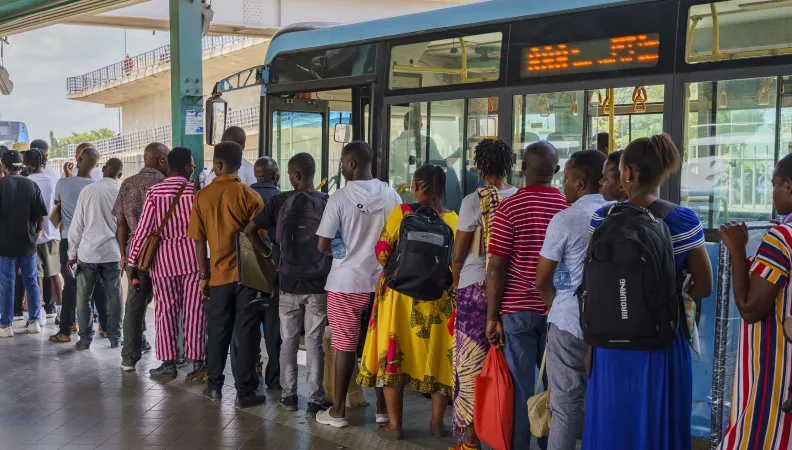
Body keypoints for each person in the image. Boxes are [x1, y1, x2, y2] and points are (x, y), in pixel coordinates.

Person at [583, 134, 713, 450]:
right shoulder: (683, 220)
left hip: (608, 345)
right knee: (657, 427)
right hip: (661, 344)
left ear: (627, 174)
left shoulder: (603, 218)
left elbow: (592, 283)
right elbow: (704, 286)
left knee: (611, 426)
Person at [357, 164, 457, 440]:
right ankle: (437, 424)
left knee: (394, 358)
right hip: (438, 301)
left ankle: (395, 425)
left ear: (416, 186)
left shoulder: (403, 213)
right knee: (438, 358)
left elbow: (382, 252)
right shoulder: (453, 220)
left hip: (399, 300)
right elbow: (457, 264)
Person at [485, 141, 569, 450]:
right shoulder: (566, 208)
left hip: (516, 312)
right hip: (556, 313)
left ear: (522, 169)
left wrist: (492, 316)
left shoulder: (509, 207)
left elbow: (496, 266)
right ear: (557, 171)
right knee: (555, 391)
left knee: (520, 391)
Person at [314, 141, 401, 427]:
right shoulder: (392, 196)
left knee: (344, 346)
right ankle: (381, 410)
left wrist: (340, 250)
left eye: (342, 161)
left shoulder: (339, 198)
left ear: (351, 163)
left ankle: (338, 411)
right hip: (382, 284)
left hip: (346, 283)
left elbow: (322, 243)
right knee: (376, 346)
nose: (341, 166)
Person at [717, 152, 792, 450]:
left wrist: (737, 249)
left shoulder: (781, 239)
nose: (771, 192)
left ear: (789, 186)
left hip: (774, 369)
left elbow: (750, 309)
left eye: (774, 184)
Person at [535, 150, 607, 450]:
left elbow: (542, 278)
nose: (562, 186)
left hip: (569, 322)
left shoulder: (566, 219)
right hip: (610, 326)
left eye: (565, 180)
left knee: (564, 407)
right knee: (600, 406)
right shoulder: (616, 212)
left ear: (580, 183)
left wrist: (554, 303)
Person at [245, 152, 329, 411]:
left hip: (287, 282)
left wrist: (270, 254)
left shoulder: (280, 201)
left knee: (288, 341)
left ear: (296, 175)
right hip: (318, 283)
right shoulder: (327, 202)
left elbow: (249, 230)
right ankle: (315, 400)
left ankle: (289, 396)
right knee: (314, 342)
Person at [449, 139, 517, 449]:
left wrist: (453, 283)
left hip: (475, 291)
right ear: (508, 166)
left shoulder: (472, 201)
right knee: (505, 368)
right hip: (509, 289)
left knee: (469, 367)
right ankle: (505, 435)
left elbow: (459, 254)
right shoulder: (516, 197)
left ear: (479, 167)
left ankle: (470, 442)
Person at [187, 141, 266, 407]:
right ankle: (245, 392)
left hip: (217, 277)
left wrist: (203, 275)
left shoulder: (202, 196)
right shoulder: (249, 195)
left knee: (218, 332)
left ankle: (214, 387)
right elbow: (261, 238)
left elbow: (198, 240)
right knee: (244, 334)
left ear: (218, 166)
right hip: (246, 277)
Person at [127, 147, 206, 380]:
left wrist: (133, 262)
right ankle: (197, 361)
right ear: (185, 167)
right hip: (193, 259)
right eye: (191, 164)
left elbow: (143, 231)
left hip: (163, 262)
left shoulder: (155, 192)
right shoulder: (196, 191)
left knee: (166, 311)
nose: (193, 168)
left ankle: (168, 363)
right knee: (194, 311)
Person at [115, 142, 169, 370]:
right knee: (167, 304)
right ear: (160, 160)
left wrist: (123, 254)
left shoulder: (127, 183)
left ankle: (129, 358)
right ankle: (172, 355)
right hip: (162, 255)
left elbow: (121, 224)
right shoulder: (164, 185)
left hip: (135, 255)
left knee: (134, 305)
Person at [67, 158, 125, 350]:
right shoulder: (120, 192)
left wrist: (71, 253)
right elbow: (125, 227)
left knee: (83, 298)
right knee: (115, 296)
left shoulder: (88, 191)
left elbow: (77, 225)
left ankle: (85, 338)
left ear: (103, 169)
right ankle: (115, 337)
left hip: (88, 253)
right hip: (112, 254)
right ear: (120, 175)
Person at [49, 147, 100, 343]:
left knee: (71, 286)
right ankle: (98, 328)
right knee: (92, 284)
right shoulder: (96, 186)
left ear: (78, 159)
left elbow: (58, 204)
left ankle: (65, 331)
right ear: (96, 165)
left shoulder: (63, 182)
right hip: (90, 241)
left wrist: (69, 176)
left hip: (67, 239)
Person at [0, 150, 47, 336]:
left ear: (5, 166)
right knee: (31, 282)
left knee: (6, 283)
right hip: (28, 244)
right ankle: (34, 321)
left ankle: (6, 325)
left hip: (4, 244)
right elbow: (41, 217)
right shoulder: (31, 185)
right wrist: (35, 235)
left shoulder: (0, 185)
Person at [247, 155, 282, 388]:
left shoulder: (245, 194)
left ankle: (252, 367)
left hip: (248, 270)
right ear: (276, 175)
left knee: (248, 323)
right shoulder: (282, 199)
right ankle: (274, 377)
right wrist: (270, 255)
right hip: (276, 271)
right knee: (274, 327)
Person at [24, 149, 62, 321]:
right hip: (53, 234)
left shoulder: (26, 182)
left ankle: (38, 314)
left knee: (36, 276)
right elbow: (59, 207)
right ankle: (60, 312)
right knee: (55, 275)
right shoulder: (54, 182)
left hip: (33, 235)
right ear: (43, 163)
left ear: (27, 164)